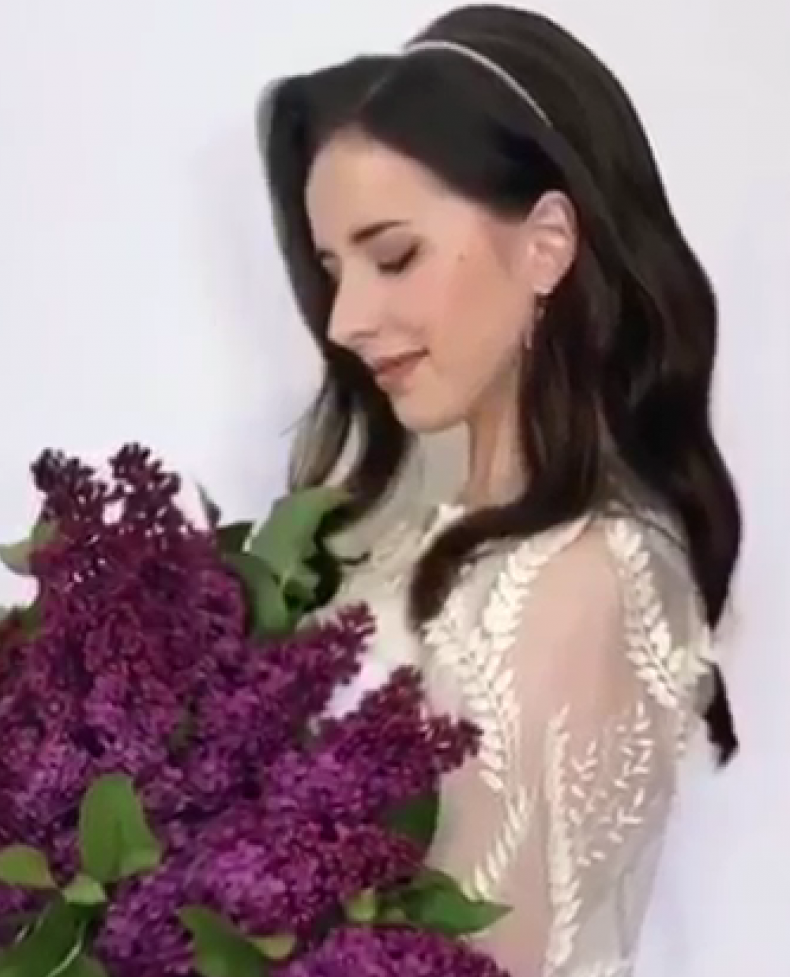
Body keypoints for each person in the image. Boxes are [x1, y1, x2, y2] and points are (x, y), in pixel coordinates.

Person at [254, 5, 742, 976]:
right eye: (332, 270)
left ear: (546, 242)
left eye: (394, 256)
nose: (345, 319)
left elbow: (475, 957)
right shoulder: (415, 530)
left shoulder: (575, 576)